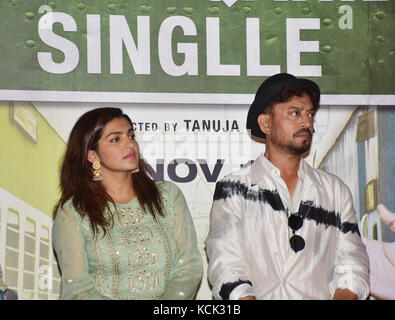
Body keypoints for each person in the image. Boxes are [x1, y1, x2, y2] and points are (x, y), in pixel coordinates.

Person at [205, 73, 370, 300]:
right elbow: (226, 266)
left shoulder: (335, 190)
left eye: (310, 114)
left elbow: (353, 266)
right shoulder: (234, 188)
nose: (306, 122)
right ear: (266, 123)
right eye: (295, 113)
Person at [52, 107, 203, 300]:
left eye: (131, 136)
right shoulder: (74, 213)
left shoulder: (167, 196)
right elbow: (78, 290)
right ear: (93, 155)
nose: (129, 144)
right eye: (116, 139)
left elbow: (189, 266)